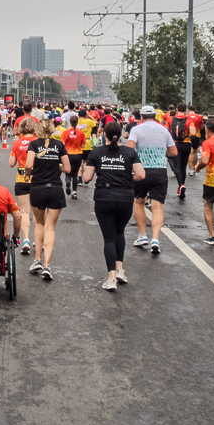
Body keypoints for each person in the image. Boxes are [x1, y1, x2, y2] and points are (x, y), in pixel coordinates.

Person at [82, 121, 145, 292]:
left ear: (105, 135)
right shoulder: (129, 152)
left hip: (104, 198)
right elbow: (141, 174)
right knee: (119, 233)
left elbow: (86, 178)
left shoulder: (96, 152)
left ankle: (111, 278)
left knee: (109, 237)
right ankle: (120, 270)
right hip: (125, 197)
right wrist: (124, 177)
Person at [24, 118, 70, 281]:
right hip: (56, 188)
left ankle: (37, 259)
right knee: (50, 227)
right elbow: (68, 168)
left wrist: (28, 175)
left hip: (38, 187)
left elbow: (28, 165)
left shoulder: (34, 145)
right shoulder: (59, 145)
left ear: (38, 130)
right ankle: (47, 265)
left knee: (39, 223)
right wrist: (55, 164)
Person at [127, 106, 177, 255]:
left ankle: (142, 236)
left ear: (141, 117)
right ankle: (155, 239)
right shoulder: (163, 129)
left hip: (141, 170)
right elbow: (174, 152)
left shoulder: (137, 129)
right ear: (155, 116)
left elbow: (130, 149)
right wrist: (161, 152)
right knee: (157, 207)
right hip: (160, 170)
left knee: (139, 202)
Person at [8, 117, 38, 256]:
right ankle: (39, 241)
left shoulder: (17, 143)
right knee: (38, 213)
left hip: (21, 178)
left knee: (24, 212)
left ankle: (26, 239)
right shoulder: (38, 142)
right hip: (37, 178)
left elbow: (11, 163)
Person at [168, 103, 192, 201]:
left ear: (176, 109)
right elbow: (193, 132)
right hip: (186, 144)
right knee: (183, 166)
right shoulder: (189, 120)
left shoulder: (170, 119)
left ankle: (180, 185)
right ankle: (181, 186)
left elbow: (166, 130)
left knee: (177, 166)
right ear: (186, 110)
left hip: (175, 144)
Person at [59, 116, 86, 199]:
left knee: (68, 170)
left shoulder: (65, 132)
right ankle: (74, 192)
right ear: (77, 122)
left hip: (68, 154)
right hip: (78, 155)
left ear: (70, 122)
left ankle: (67, 181)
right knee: (75, 174)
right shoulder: (81, 133)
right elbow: (83, 145)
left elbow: (62, 144)